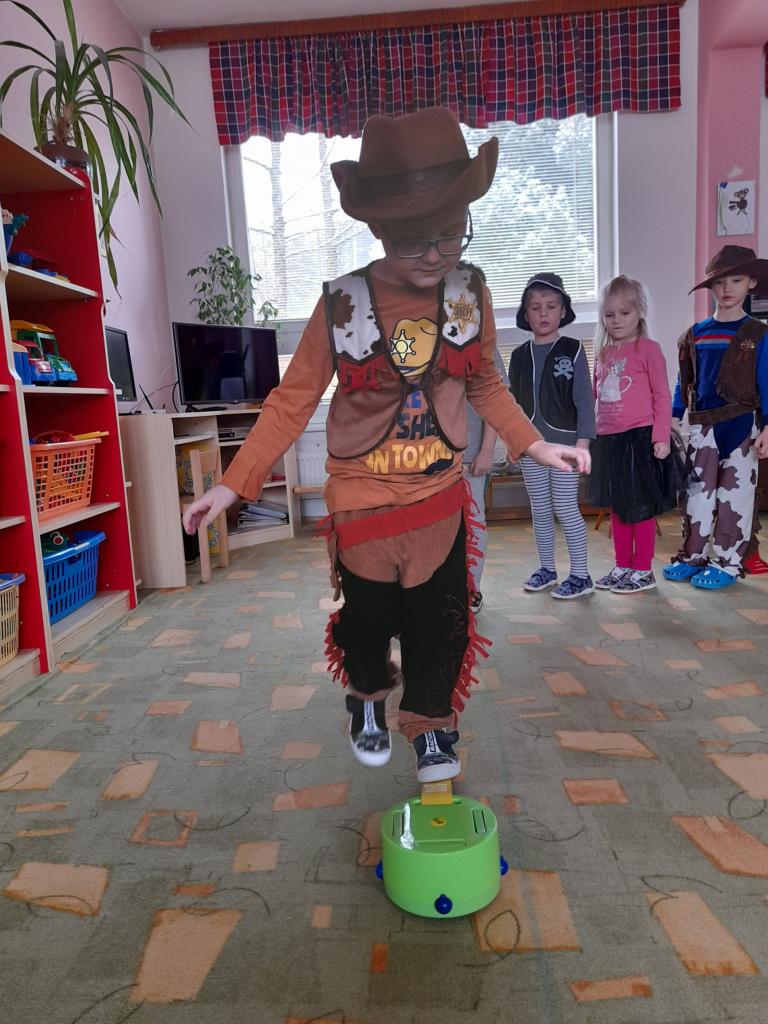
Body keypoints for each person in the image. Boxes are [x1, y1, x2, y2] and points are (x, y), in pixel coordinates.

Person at [182, 107, 590, 784]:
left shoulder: (468, 292)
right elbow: (293, 398)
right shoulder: (341, 302)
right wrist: (233, 482)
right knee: (368, 626)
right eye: (412, 241)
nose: (434, 254)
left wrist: (535, 444)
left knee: (441, 624)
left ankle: (430, 727)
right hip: (362, 500)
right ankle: (367, 697)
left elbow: (484, 381)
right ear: (377, 229)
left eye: (449, 234)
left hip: (438, 495)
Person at [663, 245, 768, 588]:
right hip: (702, 428)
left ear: (751, 283)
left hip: (741, 427)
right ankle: (693, 555)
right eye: (719, 282)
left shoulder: (758, 334)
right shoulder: (694, 334)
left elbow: (766, 383)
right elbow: (684, 381)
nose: (727, 289)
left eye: (736, 280)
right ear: (710, 287)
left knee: (734, 498)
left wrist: (767, 426)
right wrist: (673, 416)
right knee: (697, 495)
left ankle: (727, 563)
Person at [589, 275, 679, 593]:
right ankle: (623, 565)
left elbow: (662, 395)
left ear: (640, 311)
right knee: (617, 505)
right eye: (609, 314)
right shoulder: (602, 353)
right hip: (608, 440)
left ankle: (643, 569)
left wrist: (661, 437)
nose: (616, 320)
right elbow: (595, 396)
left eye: (624, 313)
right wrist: (589, 435)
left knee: (639, 506)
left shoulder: (648, 349)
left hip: (639, 438)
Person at [508, 273, 595, 599]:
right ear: (526, 313)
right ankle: (547, 568)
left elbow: (584, 399)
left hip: (566, 446)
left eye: (550, 306)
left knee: (565, 507)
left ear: (563, 311)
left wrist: (583, 444)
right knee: (541, 510)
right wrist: (514, 443)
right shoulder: (518, 356)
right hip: (531, 447)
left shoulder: (573, 349)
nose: (543, 313)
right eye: (535, 307)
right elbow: (511, 405)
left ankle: (581, 575)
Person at [464, 346, 508, 614]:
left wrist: (488, 449)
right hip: (426, 457)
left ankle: (472, 588)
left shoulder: (482, 340)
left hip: (470, 455)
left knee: (472, 523)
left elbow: (495, 397)